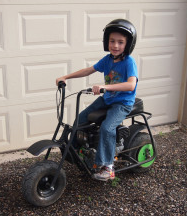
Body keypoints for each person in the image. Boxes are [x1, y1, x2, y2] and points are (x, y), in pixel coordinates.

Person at [56, 19, 138, 181]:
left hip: (122, 103)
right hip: (107, 99)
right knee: (81, 118)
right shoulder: (107, 60)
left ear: (128, 44)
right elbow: (89, 70)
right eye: (112, 41)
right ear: (106, 42)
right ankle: (81, 150)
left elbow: (130, 85)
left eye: (120, 42)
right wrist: (66, 76)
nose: (115, 45)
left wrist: (105, 87)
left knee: (107, 128)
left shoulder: (129, 62)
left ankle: (107, 167)